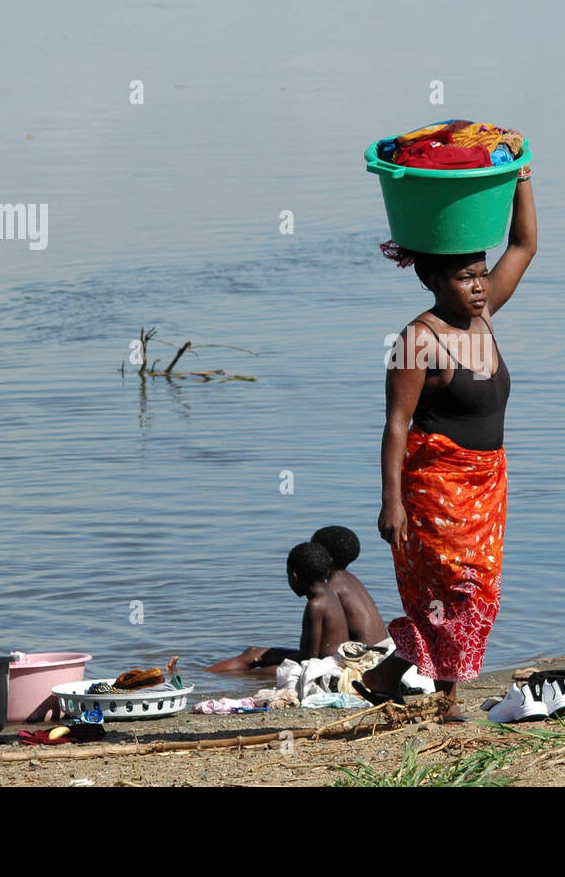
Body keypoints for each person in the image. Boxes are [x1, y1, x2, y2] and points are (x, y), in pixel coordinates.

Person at [356, 162, 536, 719]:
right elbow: (395, 425)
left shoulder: (483, 316)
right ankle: (448, 699)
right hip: (436, 483)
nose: (479, 285)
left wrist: (522, 174)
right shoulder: (418, 340)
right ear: (434, 281)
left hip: (487, 481)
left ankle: (389, 673)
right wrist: (391, 502)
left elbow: (525, 244)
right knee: (456, 585)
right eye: (464, 277)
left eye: (481, 274)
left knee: (478, 587)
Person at [206, 542, 351, 673]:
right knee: (252, 653)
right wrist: (264, 658)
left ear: (294, 577)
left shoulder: (316, 605)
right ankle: (203, 673)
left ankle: (203, 675)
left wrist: (265, 662)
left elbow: (309, 657)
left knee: (255, 674)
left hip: (325, 666)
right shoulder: (329, 593)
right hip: (323, 659)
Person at [311, 525, 389, 646]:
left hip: (366, 656)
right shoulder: (351, 580)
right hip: (384, 648)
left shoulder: (333, 588)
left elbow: (331, 641)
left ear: (328, 559)